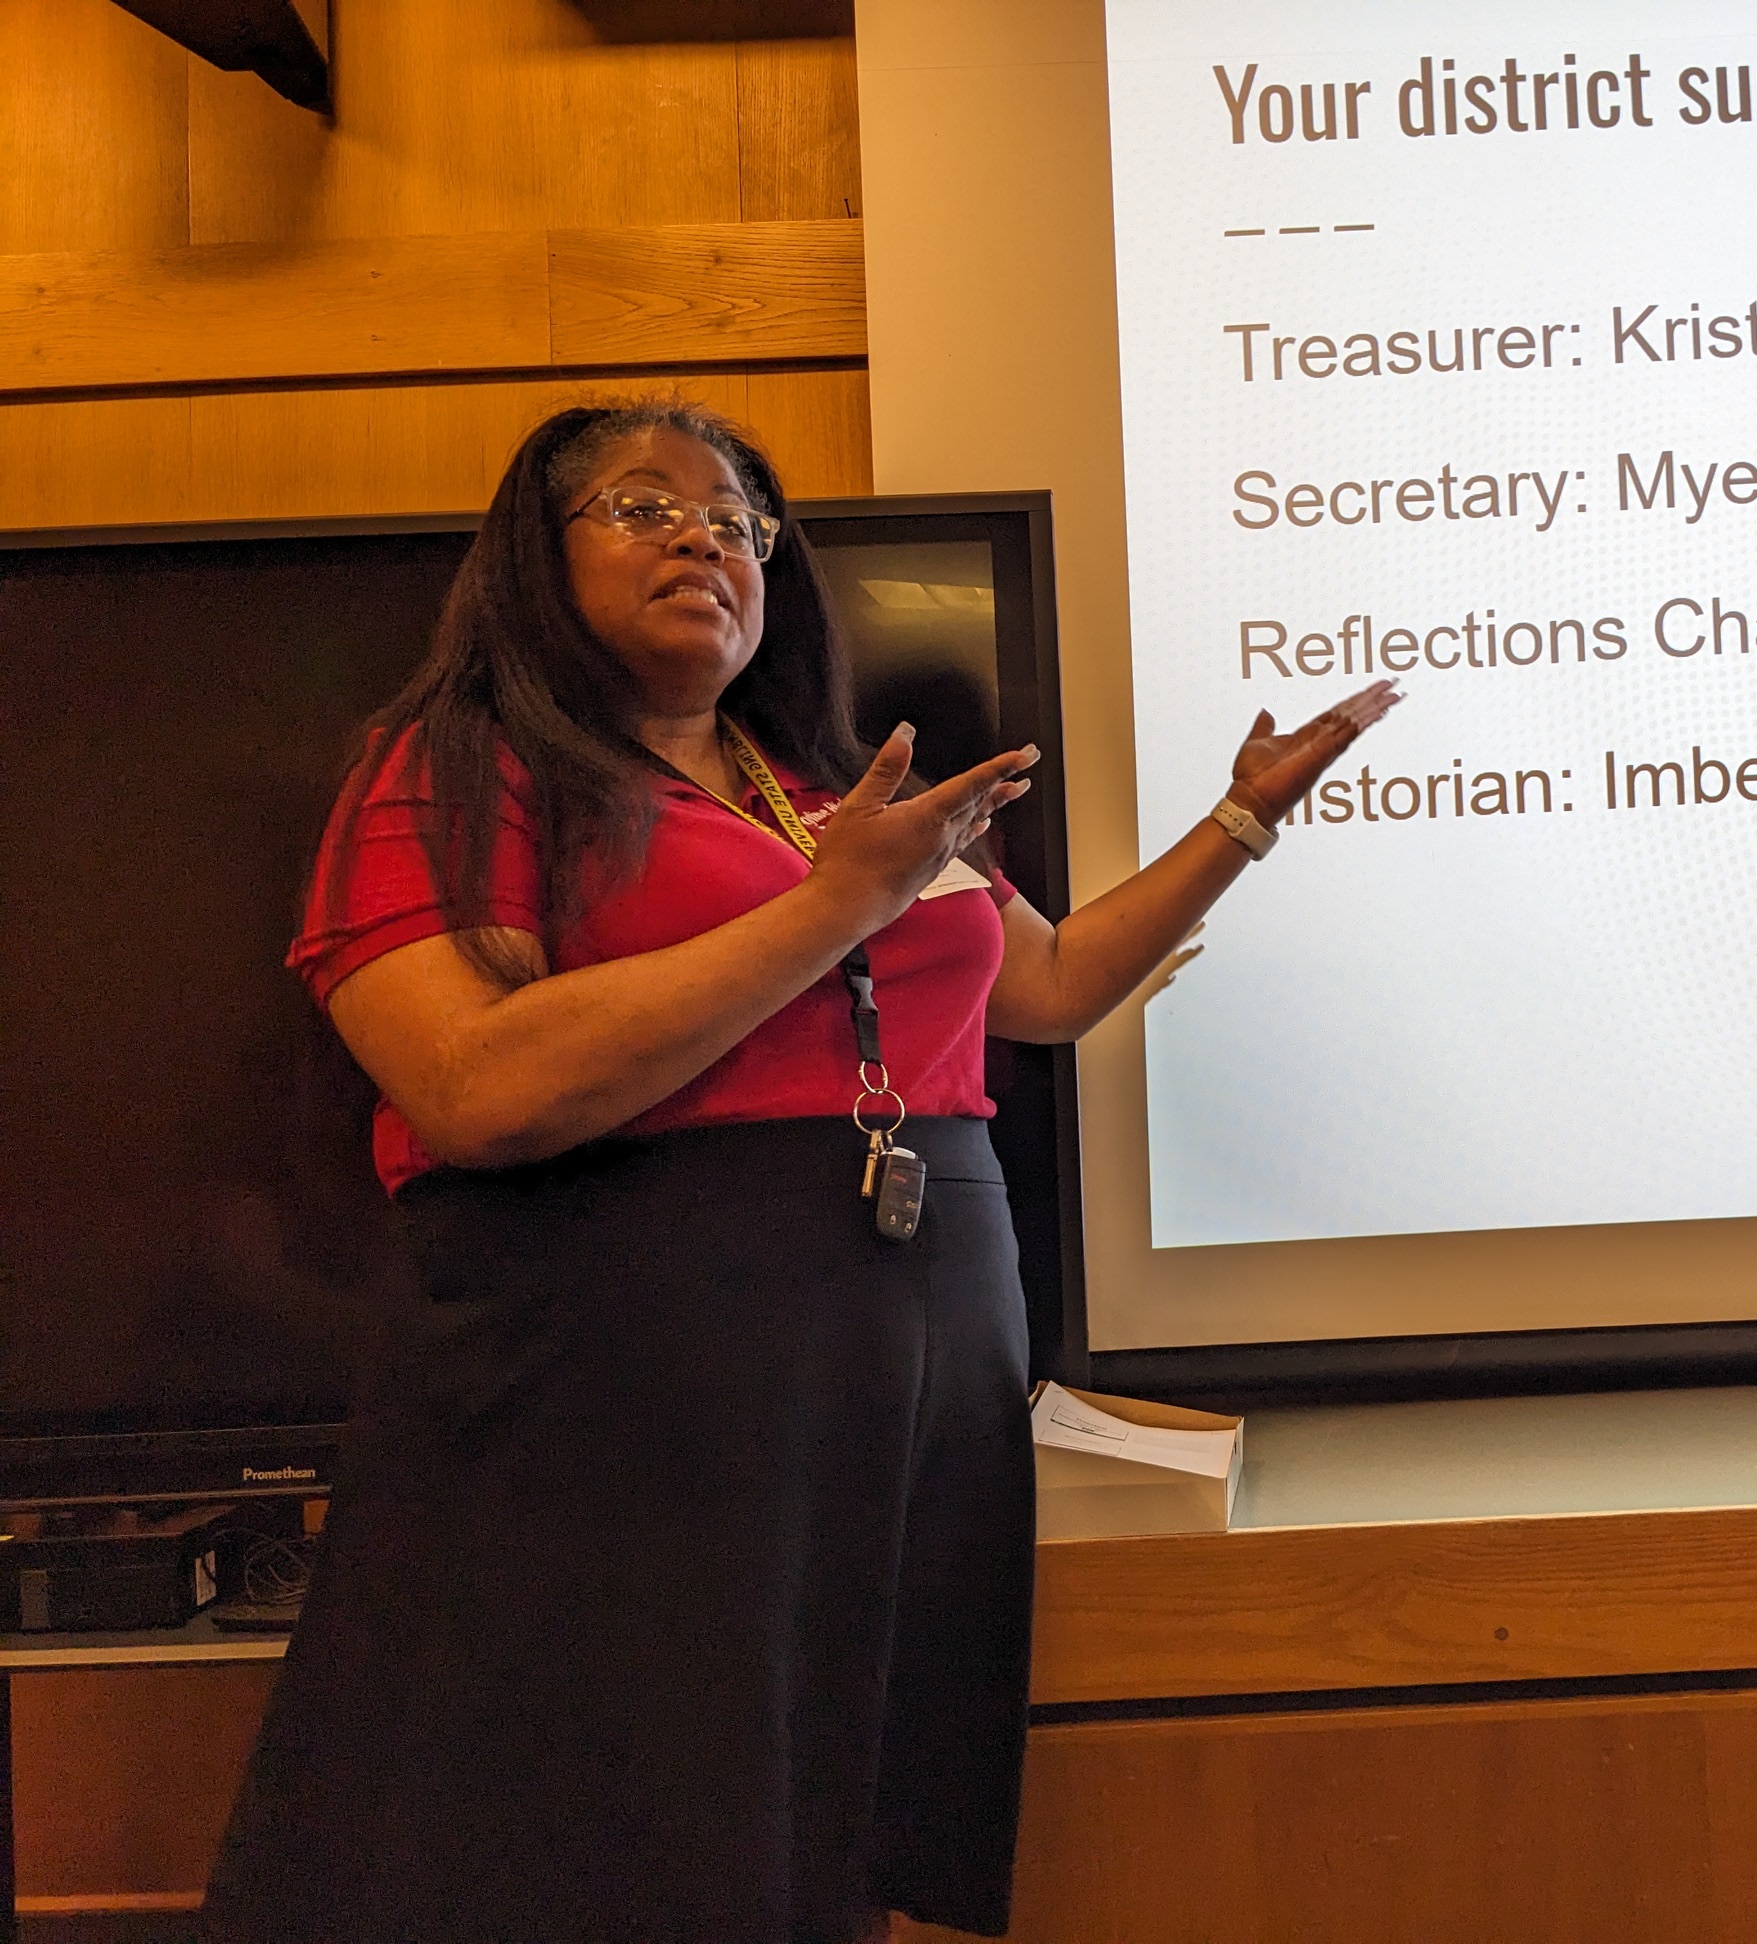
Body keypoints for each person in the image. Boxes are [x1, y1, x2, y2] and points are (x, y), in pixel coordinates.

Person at [197, 399, 1396, 1944]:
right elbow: (478, 1086)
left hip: (904, 1376)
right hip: (630, 1383)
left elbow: (1047, 989)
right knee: (623, 1837)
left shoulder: (823, 792)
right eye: (646, 507)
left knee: (819, 1835)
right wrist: (833, 908)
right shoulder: (459, 766)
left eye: (740, 524)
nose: (706, 540)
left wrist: (1239, 822)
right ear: (534, 555)